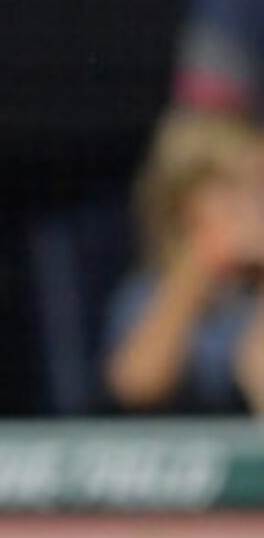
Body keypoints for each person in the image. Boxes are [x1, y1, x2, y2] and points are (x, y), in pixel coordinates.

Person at [102, 110, 264, 415]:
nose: (256, 205)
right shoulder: (146, 290)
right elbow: (136, 385)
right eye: (234, 190)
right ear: (186, 202)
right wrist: (201, 262)